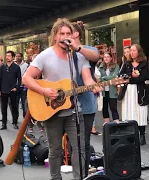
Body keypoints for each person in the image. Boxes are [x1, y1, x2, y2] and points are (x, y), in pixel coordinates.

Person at [22, 18, 101, 180]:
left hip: (74, 110)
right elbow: (26, 78)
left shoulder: (78, 57)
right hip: (52, 110)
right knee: (55, 149)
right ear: (55, 36)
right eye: (62, 33)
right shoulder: (45, 56)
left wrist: (94, 86)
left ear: (73, 36)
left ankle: (79, 178)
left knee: (79, 148)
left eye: (68, 33)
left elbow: (87, 79)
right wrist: (44, 90)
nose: (65, 36)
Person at [72, 21, 100, 177]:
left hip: (86, 103)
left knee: (84, 142)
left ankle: (83, 172)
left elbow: (95, 56)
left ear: (76, 34)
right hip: (66, 105)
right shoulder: (63, 52)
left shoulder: (88, 50)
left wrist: (77, 48)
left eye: (68, 32)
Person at [120, 44, 149, 145]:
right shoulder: (127, 63)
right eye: (130, 50)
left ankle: (142, 134)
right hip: (128, 91)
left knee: (140, 111)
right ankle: (130, 134)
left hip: (139, 90)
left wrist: (132, 79)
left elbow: (144, 77)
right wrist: (130, 76)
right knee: (129, 111)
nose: (132, 53)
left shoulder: (144, 63)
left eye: (134, 50)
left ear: (139, 52)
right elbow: (121, 75)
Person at [0, 51, 21, 130]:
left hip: (13, 90)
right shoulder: (2, 67)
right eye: (6, 56)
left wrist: (16, 87)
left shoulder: (16, 67)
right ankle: (4, 124)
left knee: (14, 107)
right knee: (3, 107)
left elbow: (20, 79)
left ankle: (15, 122)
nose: (7, 57)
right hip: (3, 90)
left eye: (9, 56)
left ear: (13, 57)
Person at [99, 52, 120, 123]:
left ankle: (116, 122)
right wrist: (106, 79)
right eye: (105, 57)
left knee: (113, 107)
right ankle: (107, 123)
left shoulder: (116, 66)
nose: (106, 58)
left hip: (112, 89)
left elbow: (115, 76)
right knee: (104, 108)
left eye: (108, 57)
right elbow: (98, 78)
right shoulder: (101, 66)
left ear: (111, 58)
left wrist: (104, 78)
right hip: (103, 90)